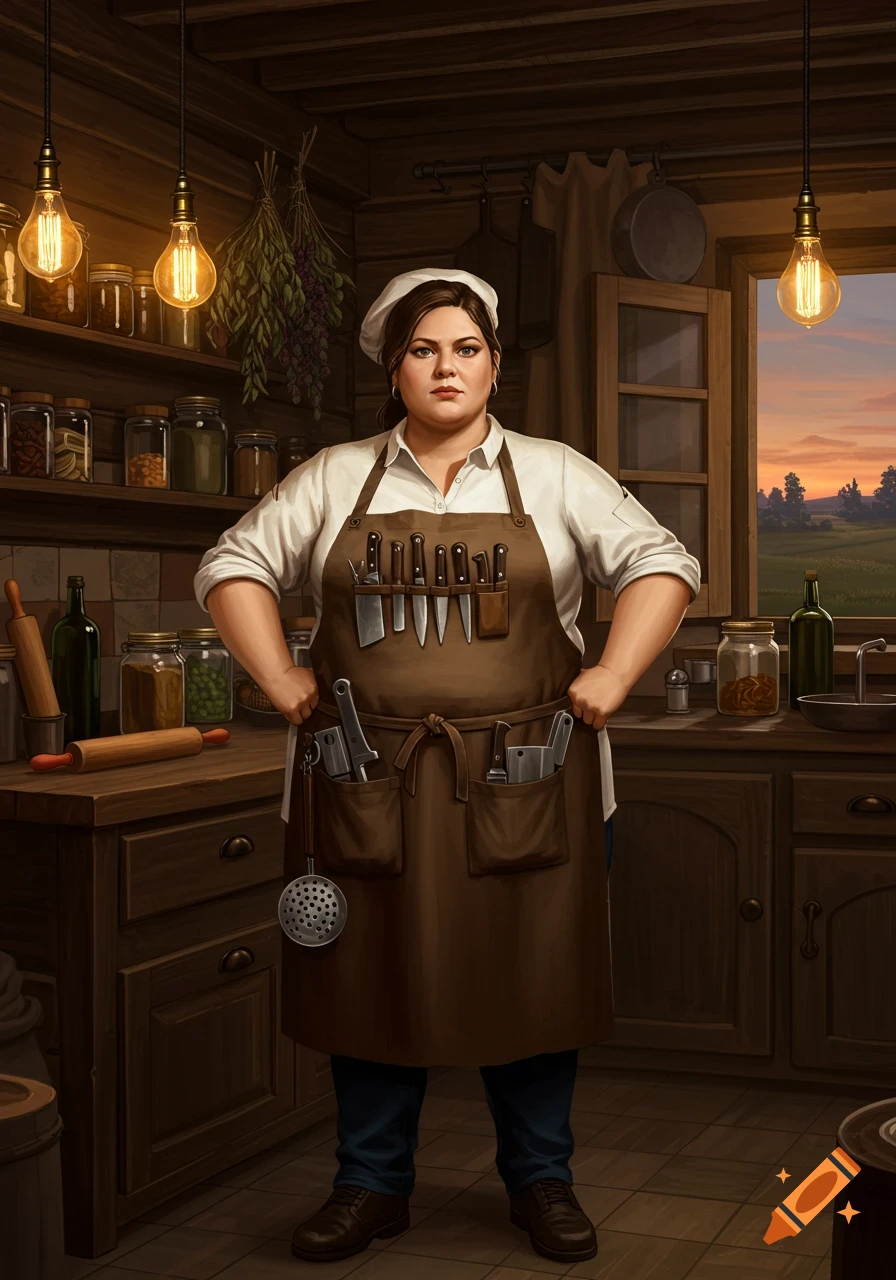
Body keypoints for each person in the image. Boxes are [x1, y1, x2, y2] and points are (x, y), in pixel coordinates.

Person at [195, 267, 700, 1266]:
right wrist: (284, 680)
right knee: (365, 977)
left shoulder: (553, 474)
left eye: (464, 348)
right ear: (396, 367)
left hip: (529, 775)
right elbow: (232, 566)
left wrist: (609, 670)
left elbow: (660, 561)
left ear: (493, 365)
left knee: (532, 978)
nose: (445, 366)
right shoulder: (337, 477)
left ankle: (540, 1179)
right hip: (362, 779)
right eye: (424, 349)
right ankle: (370, 1185)